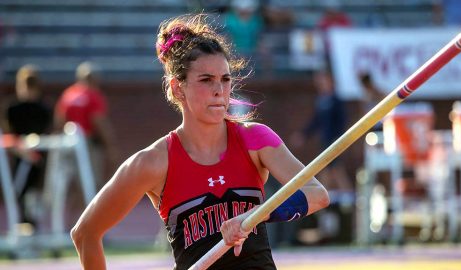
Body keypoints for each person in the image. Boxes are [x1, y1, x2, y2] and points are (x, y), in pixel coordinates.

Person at [70, 14, 329, 270]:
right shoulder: (153, 162)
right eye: (206, 80)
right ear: (178, 87)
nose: (219, 90)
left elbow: (317, 195)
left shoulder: (255, 140)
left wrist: (255, 215)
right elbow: (85, 233)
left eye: (225, 80)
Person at [54, 61, 117, 189]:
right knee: (91, 181)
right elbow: (98, 121)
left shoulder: (68, 94)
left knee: (70, 182)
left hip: (68, 142)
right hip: (88, 143)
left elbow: (59, 120)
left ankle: (74, 208)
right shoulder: (93, 96)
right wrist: (110, 146)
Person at [3, 64, 52, 227]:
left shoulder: (43, 108)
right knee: (20, 191)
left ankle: (32, 223)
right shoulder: (13, 108)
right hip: (20, 154)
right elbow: (9, 133)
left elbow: (46, 131)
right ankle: (24, 223)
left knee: (34, 191)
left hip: (38, 156)